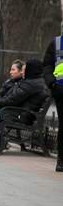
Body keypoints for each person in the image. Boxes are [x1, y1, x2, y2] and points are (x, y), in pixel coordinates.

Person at [0, 59, 49, 153]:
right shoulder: (34, 82)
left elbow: (12, 100)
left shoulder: (30, 84)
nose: (23, 72)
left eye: (25, 70)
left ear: (31, 70)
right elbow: (12, 98)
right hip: (18, 112)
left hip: (19, 115)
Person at [43, 36, 63, 171]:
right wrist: (52, 83)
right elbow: (47, 65)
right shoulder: (56, 43)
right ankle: (61, 160)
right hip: (61, 90)